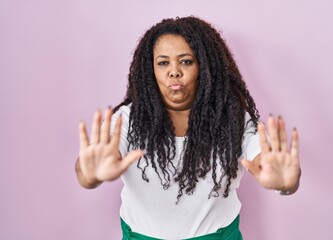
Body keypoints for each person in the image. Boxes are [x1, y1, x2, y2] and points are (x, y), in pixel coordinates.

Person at [75, 16, 301, 240]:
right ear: (150, 70)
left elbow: (265, 160)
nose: (174, 71)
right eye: (163, 62)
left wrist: (286, 184)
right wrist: (90, 175)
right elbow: (89, 170)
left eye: (186, 61)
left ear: (205, 66)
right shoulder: (128, 119)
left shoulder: (232, 120)